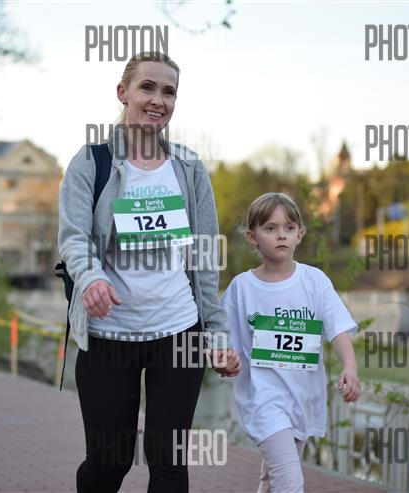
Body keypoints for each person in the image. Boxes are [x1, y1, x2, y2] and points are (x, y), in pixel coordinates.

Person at [58, 51, 240, 493]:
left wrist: (216, 334)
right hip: (109, 336)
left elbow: (204, 258)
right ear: (123, 92)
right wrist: (91, 278)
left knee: (169, 465)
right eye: (148, 87)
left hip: (178, 332)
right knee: (108, 463)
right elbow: (74, 237)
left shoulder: (189, 167)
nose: (158, 100)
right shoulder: (92, 161)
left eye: (169, 91)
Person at [221, 192, 360, 493]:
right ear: (252, 237)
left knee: (274, 479)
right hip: (263, 400)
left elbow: (337, 328)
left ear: (300, 235)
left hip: (302, 399)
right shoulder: (241, 288)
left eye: (289, 227)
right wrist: (224, 362)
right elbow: (221, 341)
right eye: (270, 228)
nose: (281, 235)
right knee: (290, 482)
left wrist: (350, 367)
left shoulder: (315, 281)